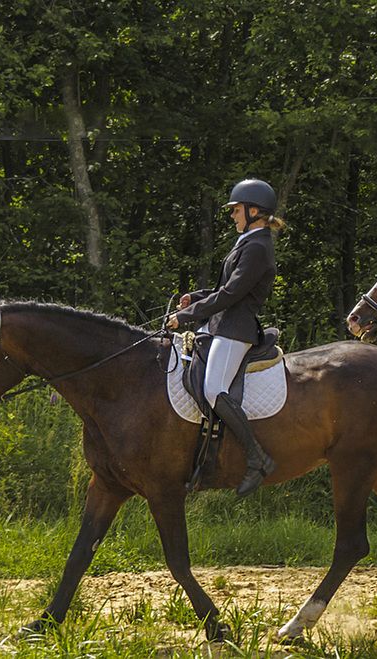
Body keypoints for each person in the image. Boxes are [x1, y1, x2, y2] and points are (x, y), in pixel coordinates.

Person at [166, 178, 285, 496]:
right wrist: (195, 297)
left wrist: (186, 316)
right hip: (221, 324)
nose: (232, 215)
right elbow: (225, 288)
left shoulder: (258, 247)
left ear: (254, 211)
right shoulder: (248, 241)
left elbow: (232, 294)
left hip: (235, 329)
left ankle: (257, 458)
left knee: (213, 389)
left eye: (236, 210)